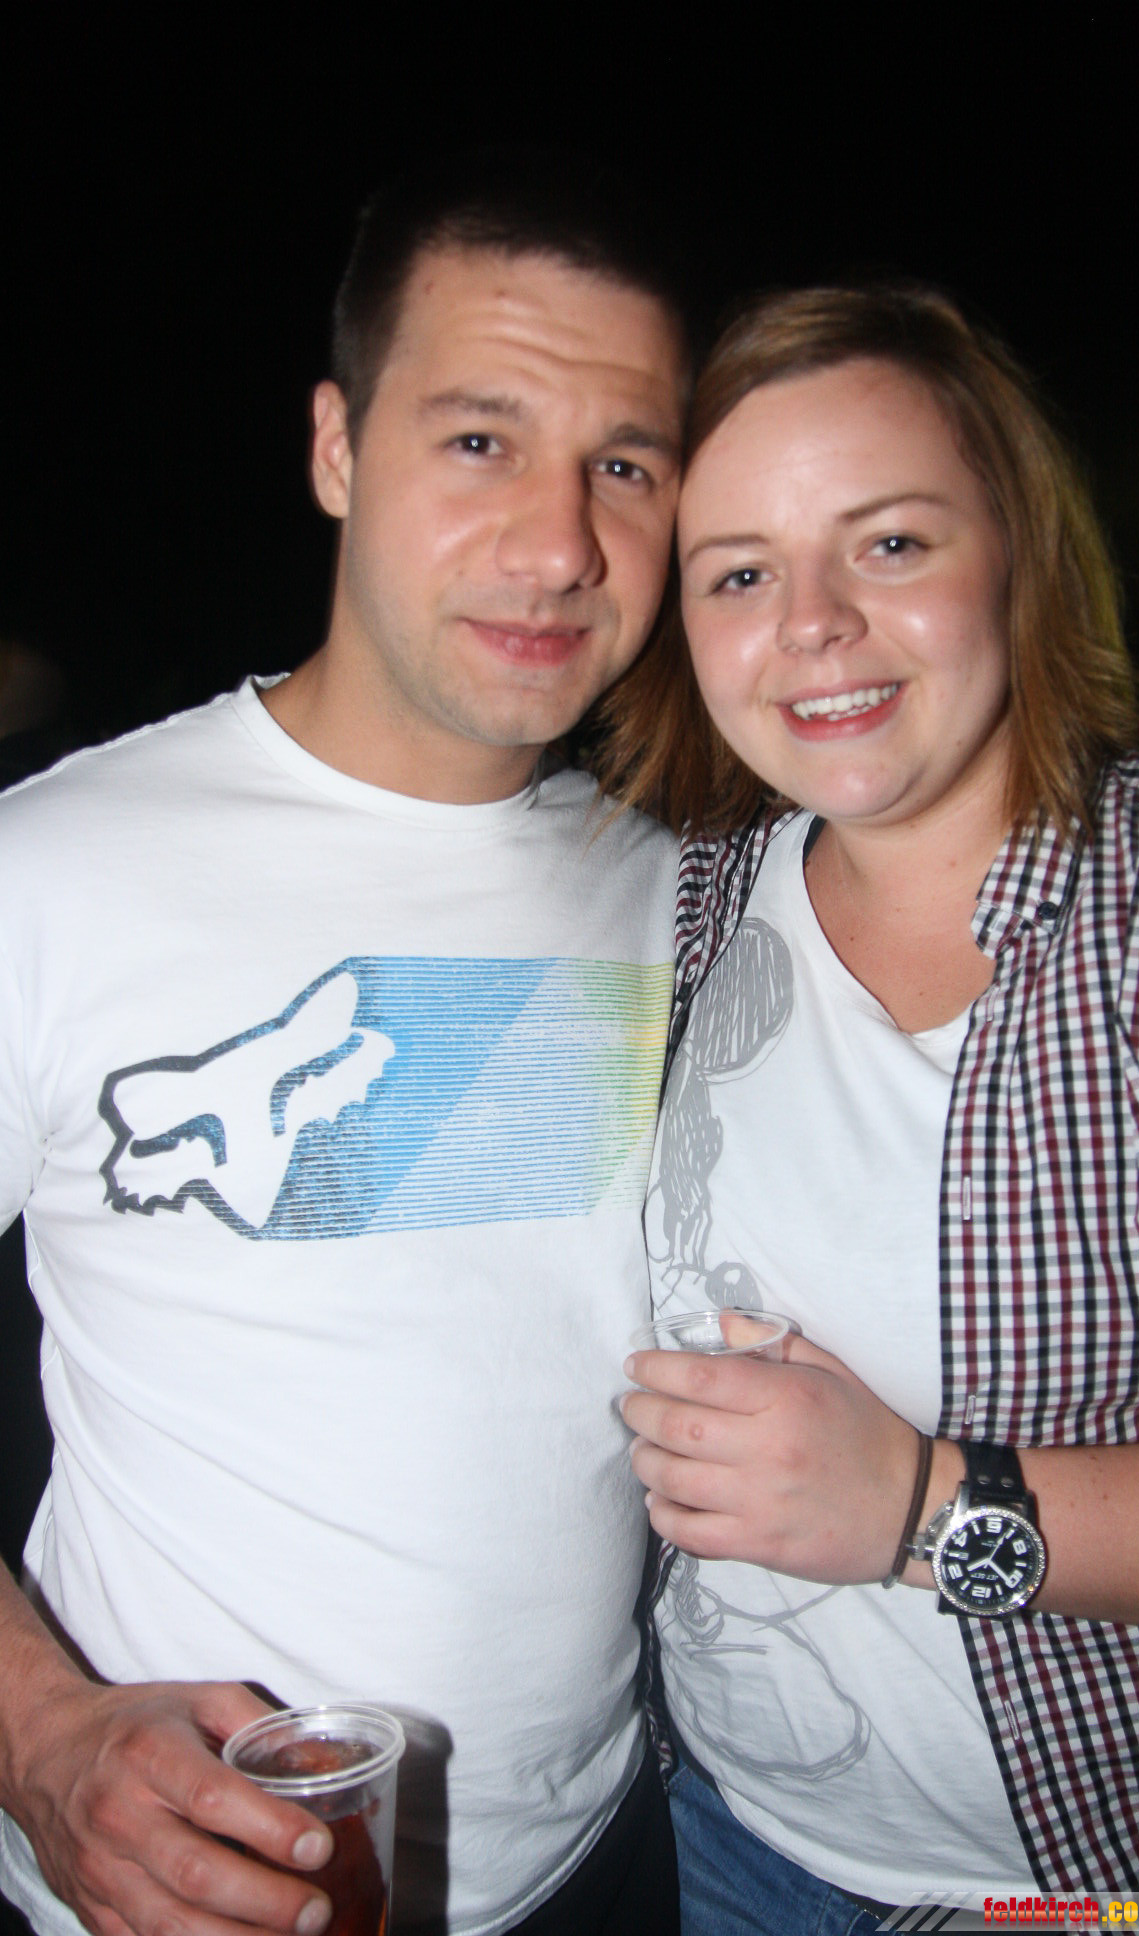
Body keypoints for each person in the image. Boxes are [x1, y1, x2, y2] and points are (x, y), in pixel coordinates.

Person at [0, 153, 690, 1936]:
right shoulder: (52, 867)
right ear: (335, 447)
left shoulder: (682, 892)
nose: (560, 544)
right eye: (479, 439)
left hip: (606, 1857)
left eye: (625, 464)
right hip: (182, 1884)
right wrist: (39, 1733)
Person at [607, 285, 1139, 1926]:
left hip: (1106, 1883)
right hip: (727, 1831)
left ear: (1021, 556)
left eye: (892, 543)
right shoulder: (686, 905)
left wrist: (921, 1507)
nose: (814, 623)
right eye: (742, 573)